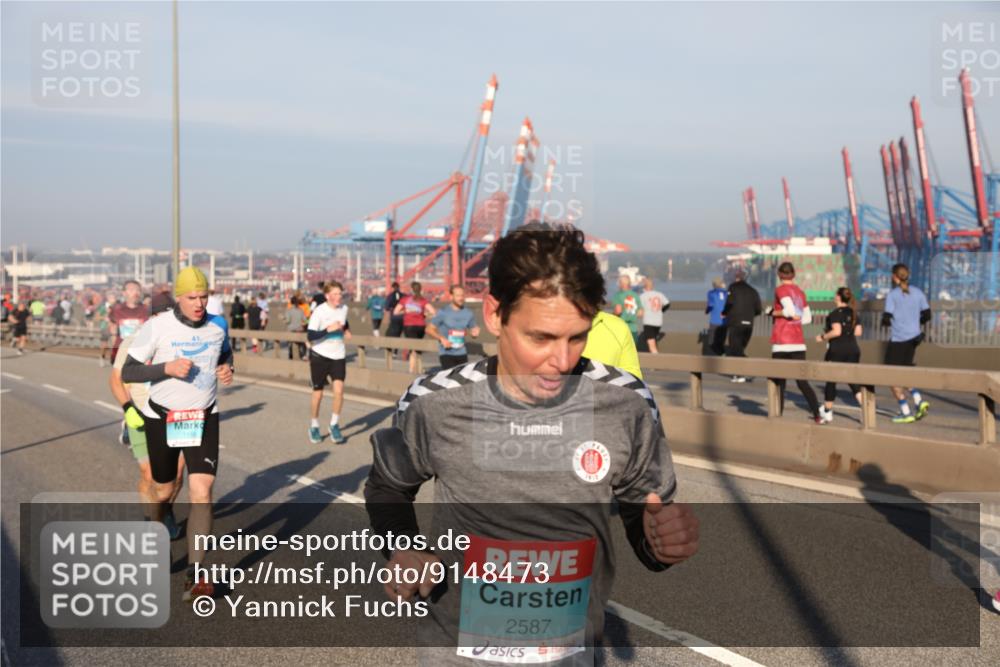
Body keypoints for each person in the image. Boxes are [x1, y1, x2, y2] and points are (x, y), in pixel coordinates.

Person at [364, 224, 698, 662]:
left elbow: (644, 517)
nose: (561, 360)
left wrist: (660, 544)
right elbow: (388, 486)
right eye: (540, 337)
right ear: (494, 315)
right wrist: (404, 546)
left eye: (577, 336)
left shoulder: (626, 402)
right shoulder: (434, 401)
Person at [120, 266, 233, 601]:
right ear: (179, 298)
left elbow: (225, 353)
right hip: (162, 417)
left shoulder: (218, 324)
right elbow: (129, 371)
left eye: (204, 297)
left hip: (203, 416)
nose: (199, 304)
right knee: (164, 489)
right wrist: (166, 368)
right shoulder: (157, 326)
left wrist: (227, 368)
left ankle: (195, 575)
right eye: (192, 297)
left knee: (202, 491)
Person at [109, 292, 184, 538]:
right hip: (140, 415)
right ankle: (152, 520)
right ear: (152, 318)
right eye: (163, 316)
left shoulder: (182, 341)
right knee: (150, 475)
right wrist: (128, 409)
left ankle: (165, 509)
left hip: (175, 417)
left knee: (177, 475)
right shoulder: (133, 342)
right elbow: (116, 380)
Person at [769, 262, 822, 424]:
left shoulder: (780, 290)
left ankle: (778, 416)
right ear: (793, 274)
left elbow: (789, 311)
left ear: (779, 274)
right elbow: (807, 319)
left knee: (779, 382)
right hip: (798, 342)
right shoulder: (800, 292)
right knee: (802, 382)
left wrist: (772, 312)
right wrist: (795, 320)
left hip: (782, 342)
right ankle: (817, 414)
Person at [882, 263, 931, 424]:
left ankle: (906, 412)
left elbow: (886, 318)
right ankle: (918, 400)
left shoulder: (893, 295)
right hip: (914, 338)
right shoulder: (918, 292)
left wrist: (888, 322)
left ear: (895, 277)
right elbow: (927, 315)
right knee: (905, 371)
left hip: (898, 339)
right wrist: (915, 322)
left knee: (891, 376)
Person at [306, 281, 351, 444]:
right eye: (335, 294)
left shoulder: (344, 309)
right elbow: (310, 336)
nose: (339, 297)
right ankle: (314, 425)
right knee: (318, 394)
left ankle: (334, 424)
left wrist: (346, 330)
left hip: (338, 355)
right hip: (320, 355)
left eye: (340, 294)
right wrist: (327, 330)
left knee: (339, 391)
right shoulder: (319, 311)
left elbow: (343, 322)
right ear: (327, 296)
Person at [816, 287, 865, 423]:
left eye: (835, 294)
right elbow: (858, 332)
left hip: (837, 349)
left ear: (838, 297)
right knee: (852, 380)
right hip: (853, 349)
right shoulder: (853, 313)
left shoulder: (835, 313)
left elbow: (836, 331)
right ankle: (865, 408)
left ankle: (827, 412)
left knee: (831, 380)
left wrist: (822, 337)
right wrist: (847, 330)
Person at [427, 285, 480, 369]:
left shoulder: (468, 313)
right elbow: (429, 329)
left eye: (462, 295)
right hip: (446, 353)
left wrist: (475, 333)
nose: (461, 298)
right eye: (458, 296)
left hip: (462, 353)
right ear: (451, 296)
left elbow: (473, 330)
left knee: (462, 377)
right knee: (451, 376)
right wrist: (441, 338)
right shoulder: (443, 312)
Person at [722, 271, 762, 382]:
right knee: (740, 349)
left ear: (736, 277)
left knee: (735, 349)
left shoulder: (733, 287)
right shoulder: (753, 291)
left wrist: (724, 313)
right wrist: (749, 315)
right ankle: (740, 373)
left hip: (736, 323)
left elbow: (729, 303)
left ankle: (743, 372)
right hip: (749, 324)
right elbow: (758, 309)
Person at [394, 281, 436, 374]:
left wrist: (405, 311)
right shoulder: (423, 300)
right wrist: (424, 314)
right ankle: (419, 368)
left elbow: (395, 312)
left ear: (411, 289)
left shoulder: (405, 299)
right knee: (418, 347)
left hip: (409, 326)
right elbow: (433, 312)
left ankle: (412, 369)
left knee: (413, 348)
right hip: (421, 326)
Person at [638, 277, 669, 353]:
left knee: (651, 344)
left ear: (644, 287)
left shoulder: (643, 296)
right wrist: (661, 311)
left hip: (648, 322)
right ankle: (654, 355)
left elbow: (639, 309)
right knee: (653, 340)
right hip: (658, 322)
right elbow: (667, 304)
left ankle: (656, 358)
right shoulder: (659, 295)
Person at [611, 274, 643, 345]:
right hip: (633, 328)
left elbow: (618, 311)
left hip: (621, 328)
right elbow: (640, 313)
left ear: (621, 284)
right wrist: (632, 315)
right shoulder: (635, 295)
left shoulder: (618, 295)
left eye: (619, 283)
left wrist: (612, 315)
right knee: (632, 349)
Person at [705, 278, 728, 356]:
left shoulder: (711, 293)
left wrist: (707, 311)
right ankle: (722, 355)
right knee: (721, 342)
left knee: (712, 342)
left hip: (715, 321)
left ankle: (719, 356)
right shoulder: (727, 293)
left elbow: (710, 305)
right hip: (725, 322)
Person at [284, 295, 307, 360]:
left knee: (290, 344)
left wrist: (283, 319)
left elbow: (287, 321)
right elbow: (305, 320)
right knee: (301, 344)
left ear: (291, 302)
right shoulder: (301, 310)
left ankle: (291, 356)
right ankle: (303, 355)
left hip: (291, 330)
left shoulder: (289, 310)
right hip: (299, 329)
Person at [95, 295, 112, 367]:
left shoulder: (116, 307)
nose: (113, 299)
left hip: (113, 328)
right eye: (111, 298)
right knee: (104, 345)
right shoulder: (103, 307)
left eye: (113, 298)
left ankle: (113, 359)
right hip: (104, 327)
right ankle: (102, 357)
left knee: (115, 344)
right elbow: (97, 317)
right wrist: (104, 317)